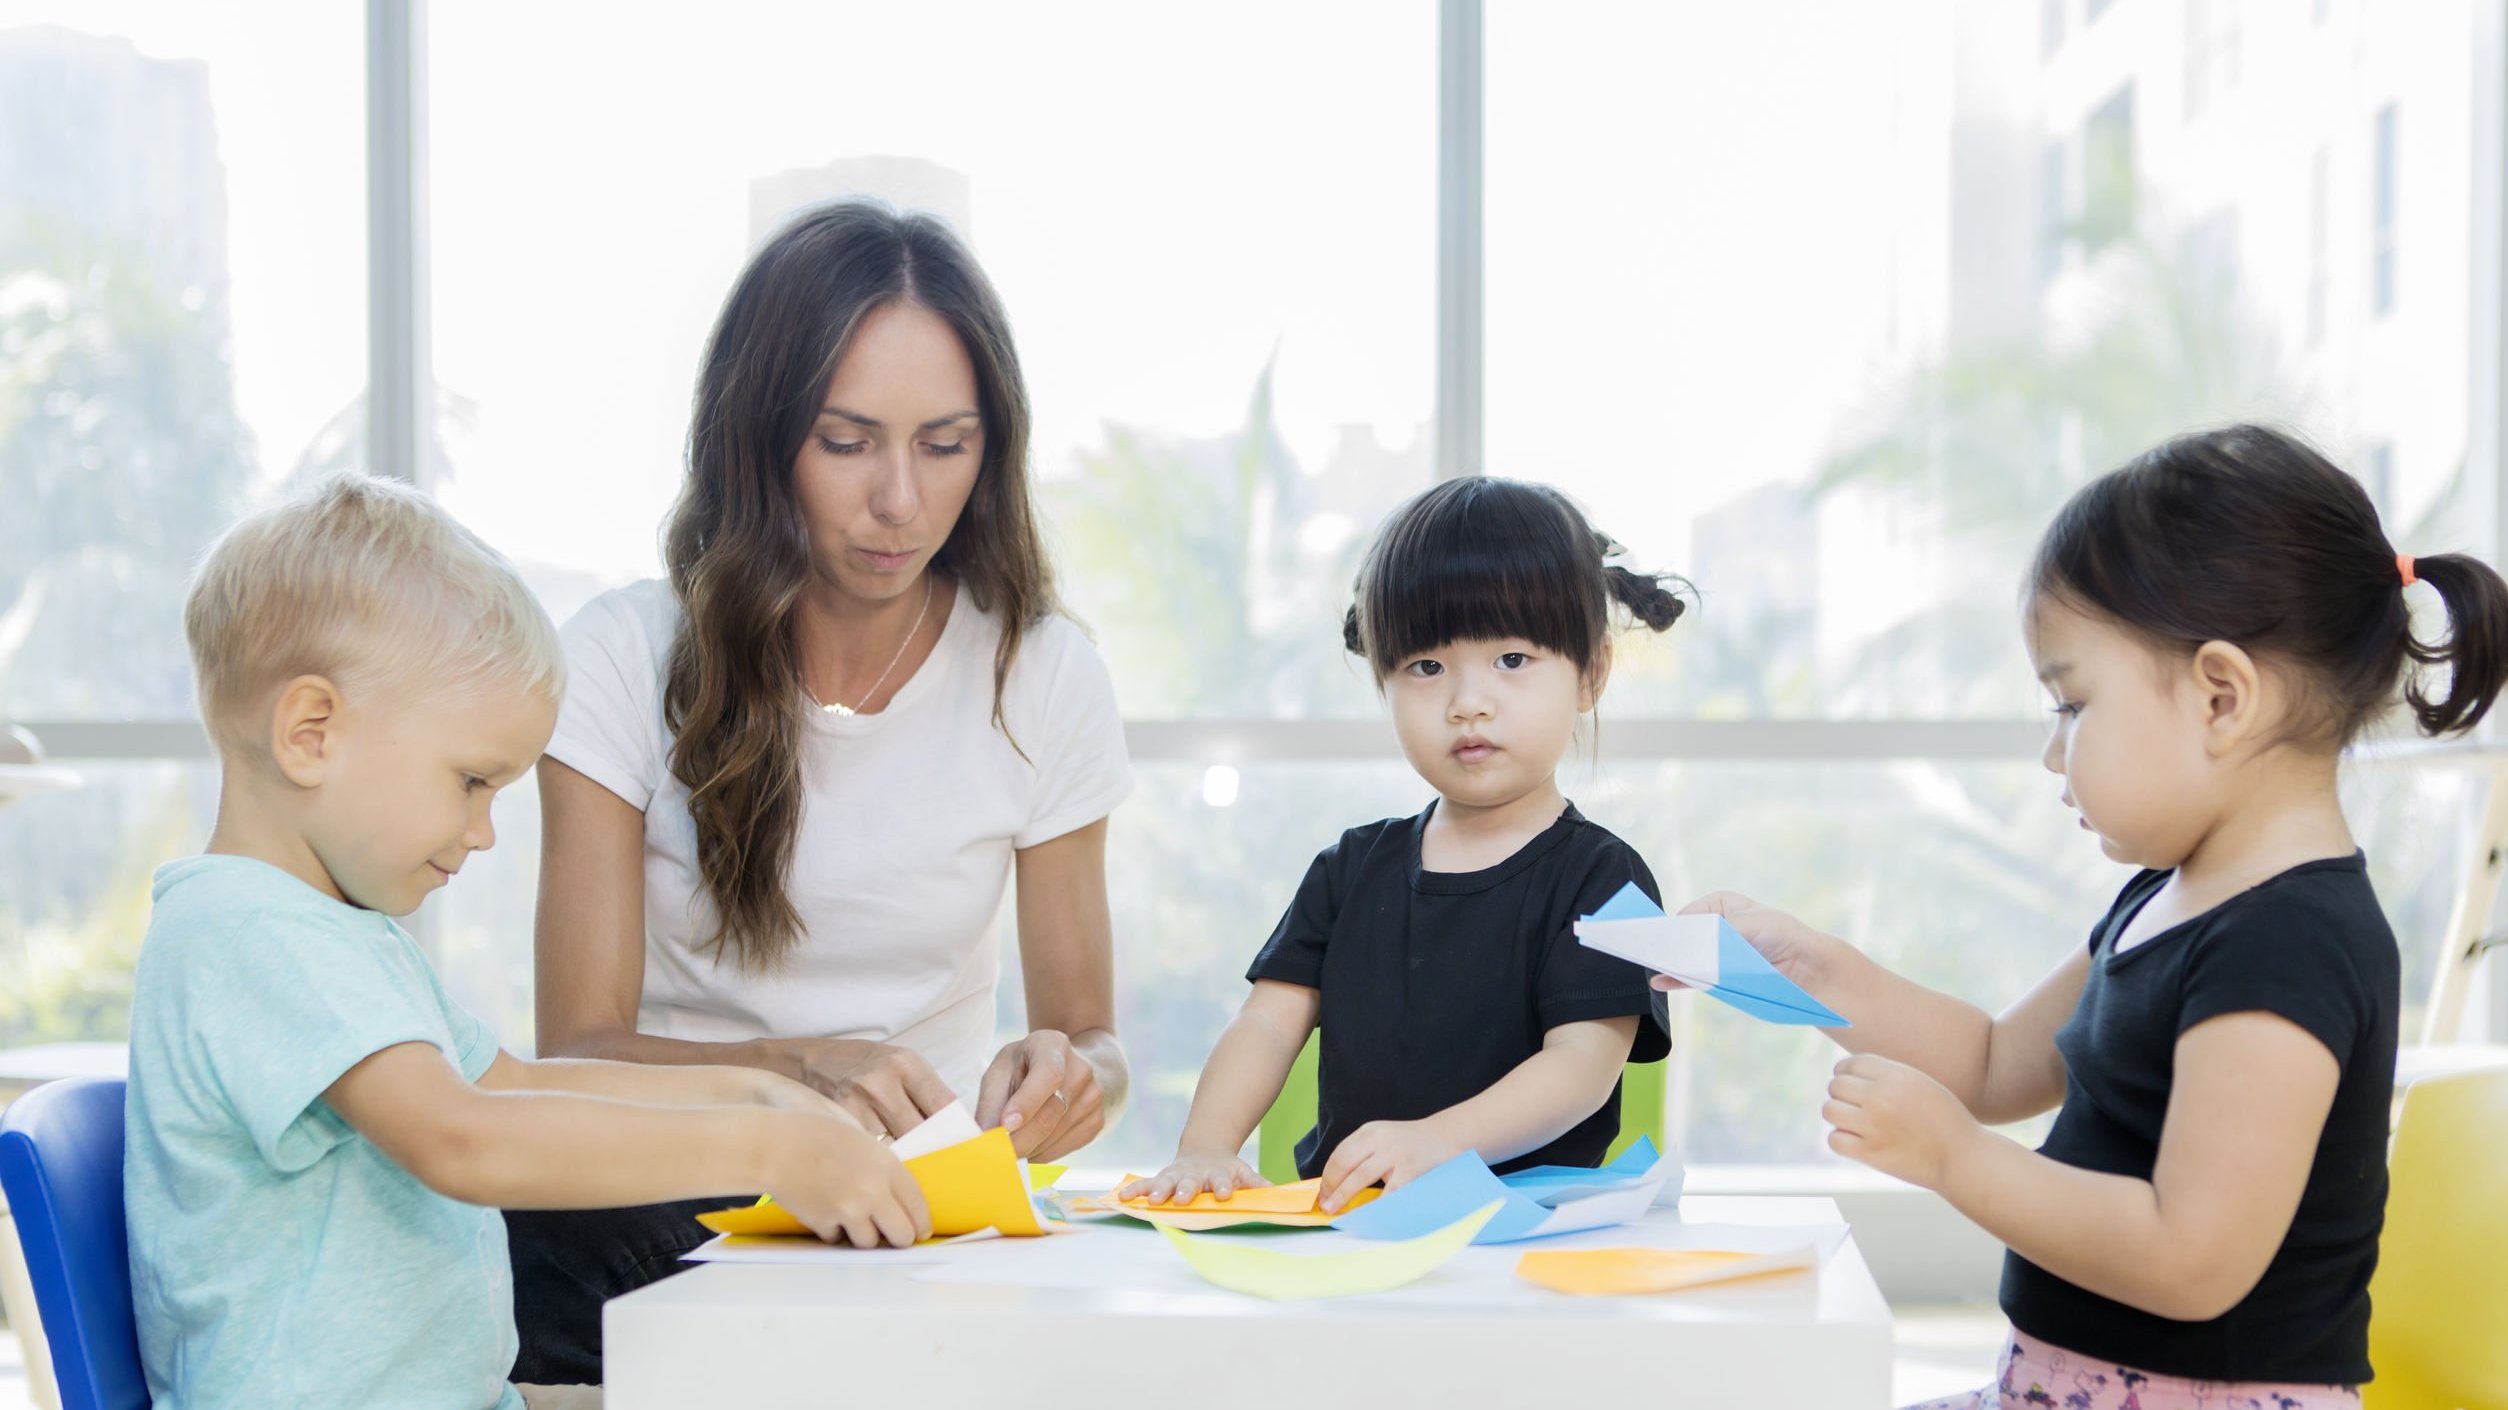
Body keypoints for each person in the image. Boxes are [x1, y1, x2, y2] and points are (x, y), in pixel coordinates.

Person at [1679, 425, 2508, 1408]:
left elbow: (2190, 1256)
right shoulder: (2168, 897)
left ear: (2220, 697)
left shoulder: (2290, 945)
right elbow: (1992, 1063)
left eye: (2071, 706)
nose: (2050, 753)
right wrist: (1800, 966)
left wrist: (1956, 1159)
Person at [126, 474, 928, 1410]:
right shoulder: (249, 934)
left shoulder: (334, 935)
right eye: (472, 781)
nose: (484, 831)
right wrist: (768, 1150)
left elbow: (510, 1081)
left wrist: (756, 1088)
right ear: (312, 733)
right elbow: (465, 1138)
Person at [510, 200, 1133, 1382]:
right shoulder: (621, 657)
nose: (900, 500)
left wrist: (1069, 1076)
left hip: (908, 1216)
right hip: (667, 1205)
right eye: (847, 443)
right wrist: (797, 1070)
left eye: (946, 445)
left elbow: (1094, 1039)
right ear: (760, 439)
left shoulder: (1042, 674)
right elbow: (578, 1050)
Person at [1120, 477, 1683, 1215]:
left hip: (1530, 1234)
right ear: (1383, 678)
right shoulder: (1349, 870)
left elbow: (1581, 1069)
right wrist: (1206, 1144)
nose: (1467, 701)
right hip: (1353, 1224)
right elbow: (1264, 1022)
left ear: (1592, 673)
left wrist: (1438, 1141)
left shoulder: (1604, 879)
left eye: (1513, 659)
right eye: (1426, 667)